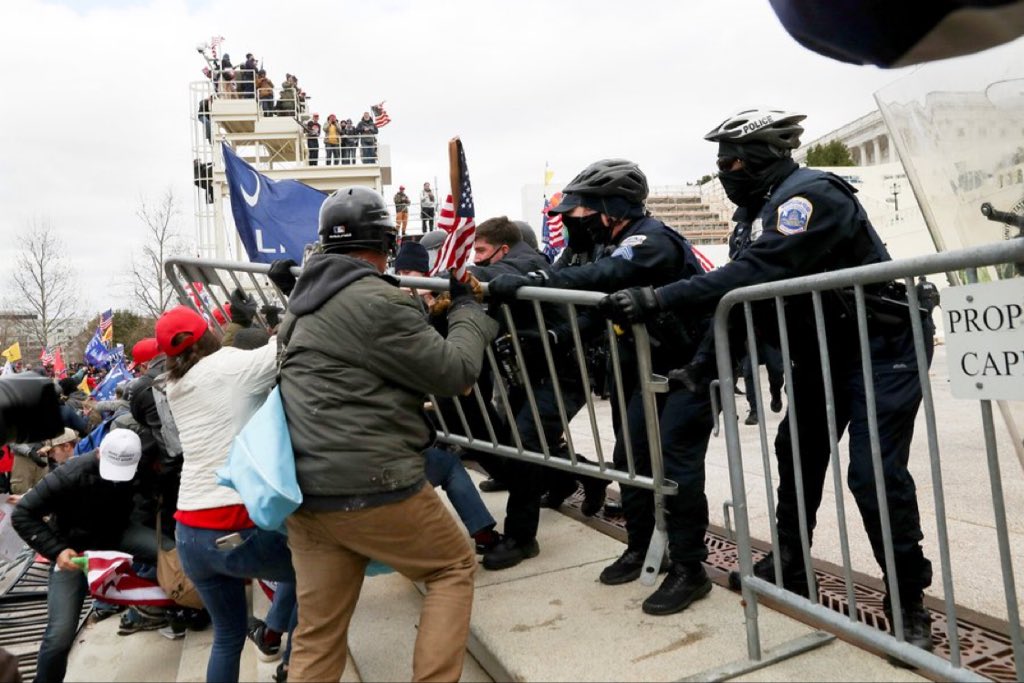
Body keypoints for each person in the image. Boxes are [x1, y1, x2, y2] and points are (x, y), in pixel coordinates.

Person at [600, 109, 936, 652]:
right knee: (795, 456)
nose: (725, 171)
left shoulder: (813, 195)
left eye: (731, 160)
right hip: (819, 354)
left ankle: (907, 600)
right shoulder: (753, 212)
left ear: (762, 157)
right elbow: (744, 307)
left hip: (881, 350)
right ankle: (789, 561)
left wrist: (661, 297)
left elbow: (760, 272)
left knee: (872, 473)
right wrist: (703, 367)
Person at [269, 186, 498, 682]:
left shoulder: (302, 303)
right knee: (451, 567)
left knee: (317, 631)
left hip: (306, 492)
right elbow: (455, 372)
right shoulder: (379, 300)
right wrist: (469, 315)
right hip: (371, 482)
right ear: (386, 242)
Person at [486, 160, 716, 615]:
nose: (573, 220)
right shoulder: (615, 242)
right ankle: (641, 546)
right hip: (640, 373)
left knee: (675, 468)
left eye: (580, 211)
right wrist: (557, 335)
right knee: (629, 460)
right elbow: (601, 307)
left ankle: (691, 569)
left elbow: (604, 277)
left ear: (610, 208)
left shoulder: (650, 239)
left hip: (687, 372)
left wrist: (534, 280)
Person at [156, 304, 297, 683]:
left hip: (189, 532)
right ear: (206, 334)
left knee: (229, 636)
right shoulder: (229, 366)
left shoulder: (174, 385)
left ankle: (277, 644)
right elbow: (287, 342)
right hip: (232, 521)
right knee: (313, 571)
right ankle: (294, 668)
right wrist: (294, 296)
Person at [469, 216, 605, 571]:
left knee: (525, 446)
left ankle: (521, 538)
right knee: (527, 442)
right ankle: (583, 477)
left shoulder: (525, 261)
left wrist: (458, 278)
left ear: (503, 248)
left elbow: (497, 275)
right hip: (533, 374)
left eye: (481, 250)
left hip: (564, 375)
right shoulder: (513, 261)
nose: (477, 257)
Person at [12, 429, 172, 683]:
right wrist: (57, 550)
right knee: (60, 635)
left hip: (118, 533)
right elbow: (21, 515)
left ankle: (192, 608)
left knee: (172, 554)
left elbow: (149, 497)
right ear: (98, 452)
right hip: (73, 550)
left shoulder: (140, 464)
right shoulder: (67, 475)